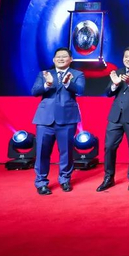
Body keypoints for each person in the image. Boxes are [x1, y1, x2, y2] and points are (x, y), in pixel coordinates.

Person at [30, 47, 85, 195]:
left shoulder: (77, 74)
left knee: (66, 151)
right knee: (42, 152)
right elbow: (34, 91)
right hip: (44, 119)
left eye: (64, 56)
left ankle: (65, 179)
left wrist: (68, 83)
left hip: (67, 118)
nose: (61, 59)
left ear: (71, 59)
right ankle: (41, 182)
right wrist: (47, 84)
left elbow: (80, 90)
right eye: (58, 56)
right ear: (54, 59)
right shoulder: (44, 74)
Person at [96, 46, 129, 192]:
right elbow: (108, 93)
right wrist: (114, 84)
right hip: (115, 116)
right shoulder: (118, 72)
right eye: (126, 56)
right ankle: (108, 178)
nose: (128, 59)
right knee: (109, 146)